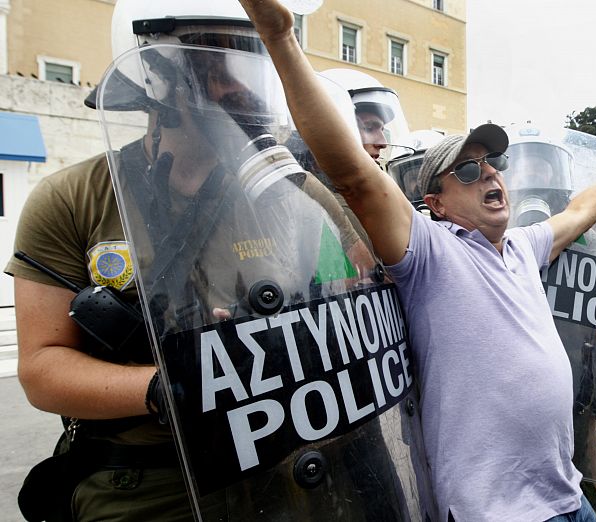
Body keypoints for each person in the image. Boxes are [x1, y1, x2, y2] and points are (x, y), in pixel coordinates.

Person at [236, 1, 596, 520]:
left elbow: (581, 210)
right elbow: (353, 174)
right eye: (467, 171)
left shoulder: (524, 247)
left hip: (567, 495)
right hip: (496, 512)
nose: (489, 176)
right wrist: (281, 38)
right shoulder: (428, 252)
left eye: (491, 165)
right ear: (435, 203)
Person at [8, 1, 385, 520]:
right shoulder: (74, 198)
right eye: (220, 62)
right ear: (155, 71)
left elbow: (365, 287)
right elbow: (42, 367)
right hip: (146, 480)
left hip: (278, 463)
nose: (244, 84)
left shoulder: (294, 194)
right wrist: (168, 386)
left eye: (256, 61)